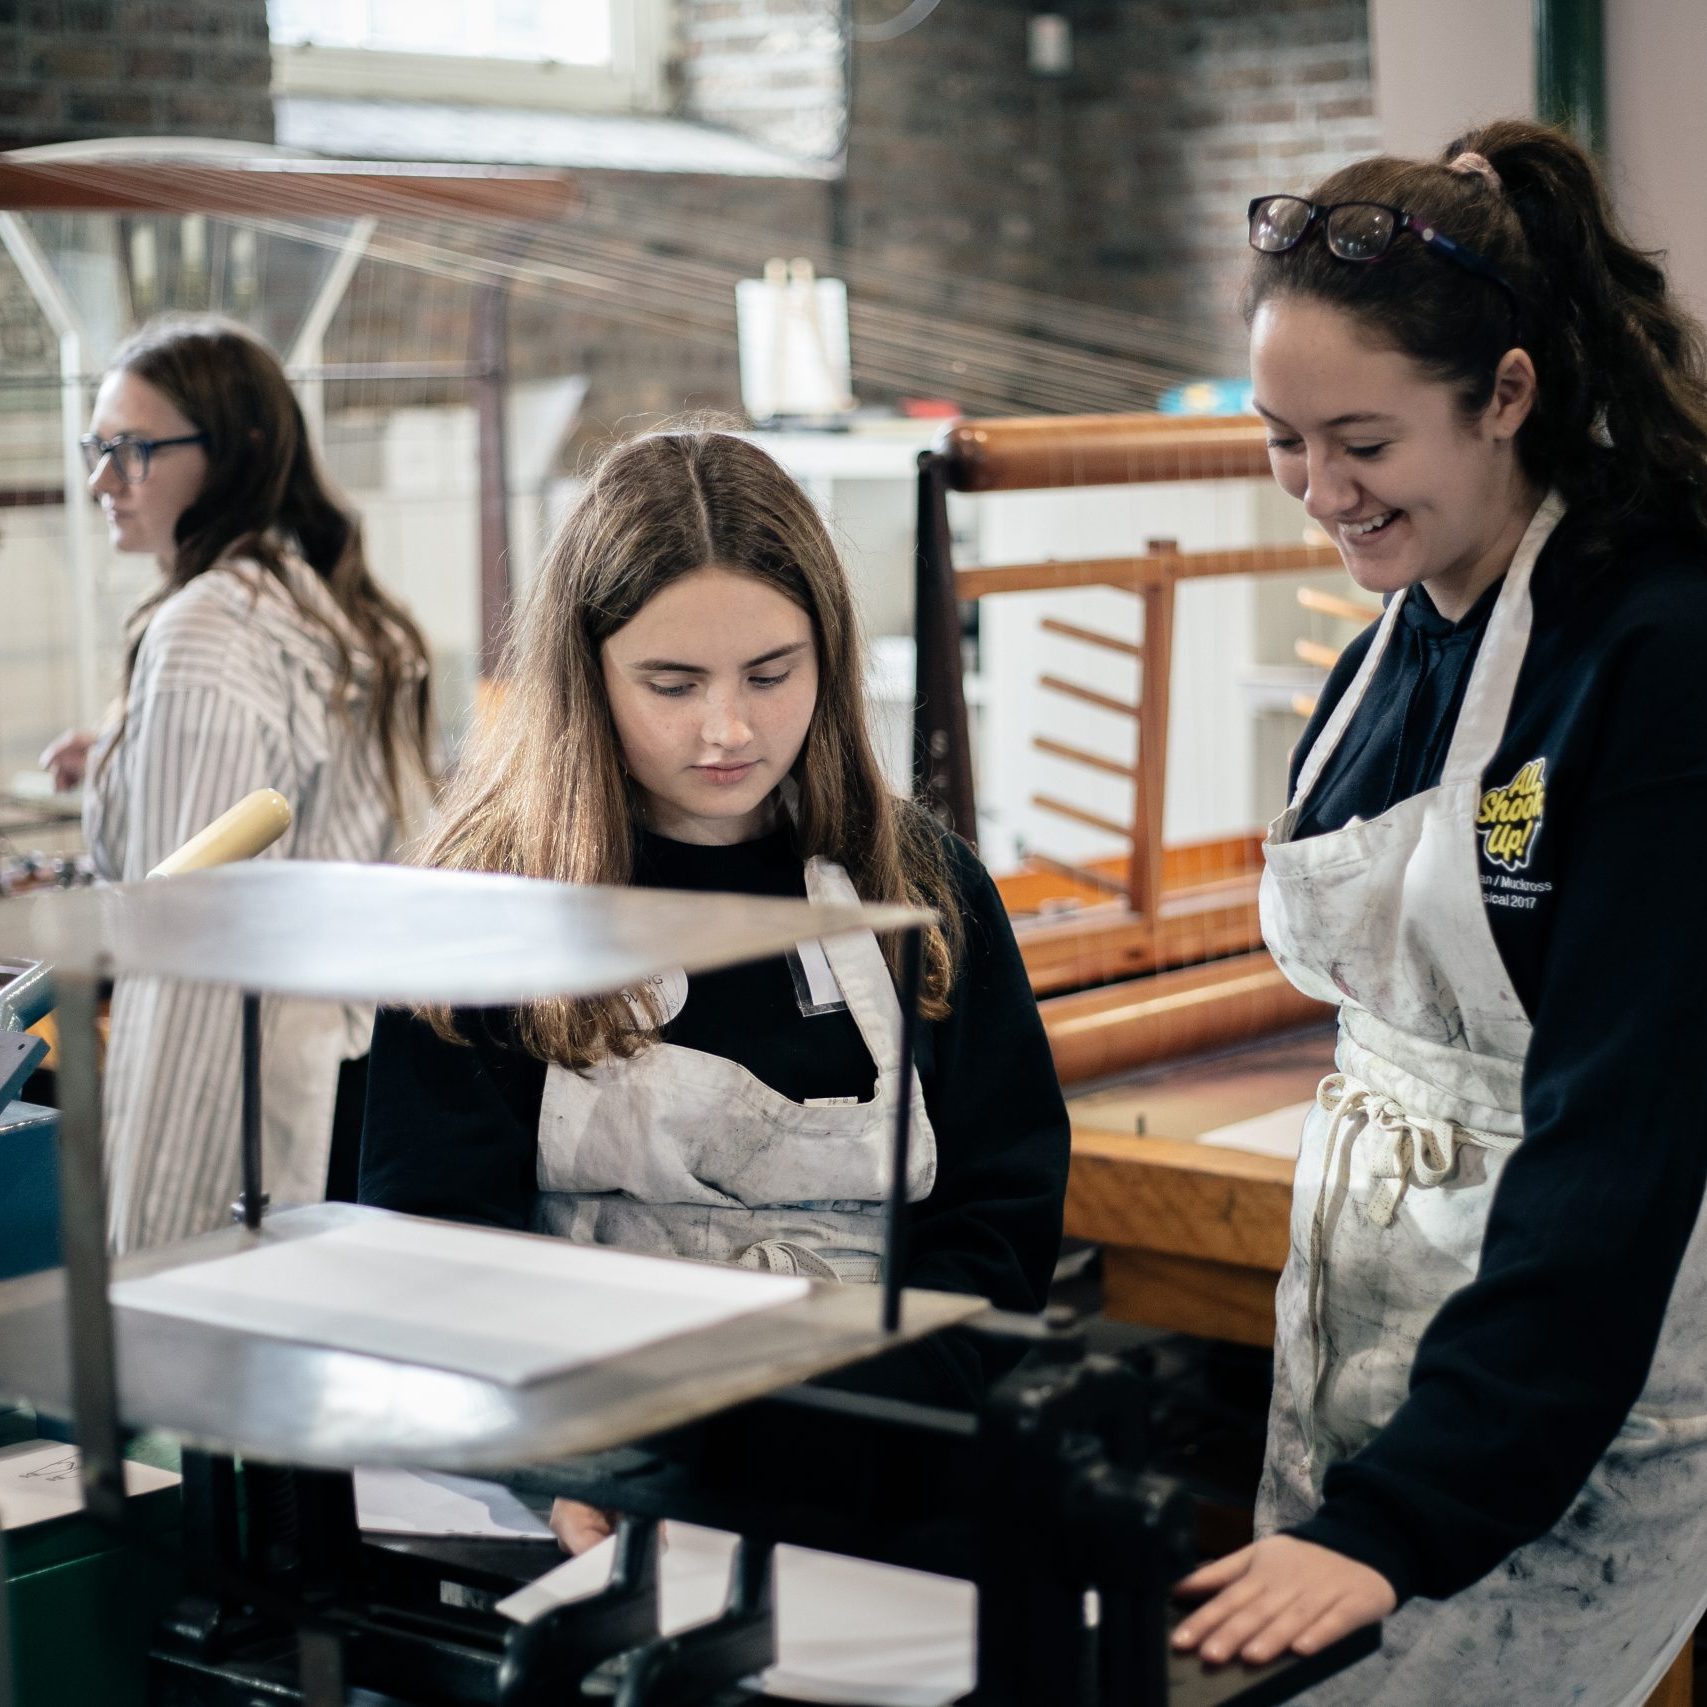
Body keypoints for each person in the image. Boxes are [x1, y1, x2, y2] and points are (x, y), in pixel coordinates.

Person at [1168, 119, 1707, 1701]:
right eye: (1280, 439)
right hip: (1364, 1347)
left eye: (1360, 441)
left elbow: (1616, 1141)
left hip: (1558, 1405)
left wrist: (1410, 1511)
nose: (1317, 492)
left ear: (1506, 395)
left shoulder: (1654, 653)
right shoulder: (1405, 626)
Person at [358, 429, 1070, 1548]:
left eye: (771, 675)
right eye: (672, 683)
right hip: (579, 1493)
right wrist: (578, 1466)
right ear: (584, 672)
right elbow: (436, 1249)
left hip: (874, 1473)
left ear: (829, 656)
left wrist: (850, 1433)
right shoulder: (480, 910)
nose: (728, 729)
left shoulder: (925, 891)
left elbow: (998, 1224)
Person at [43, 315, 434, 1253]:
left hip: (251, 1106)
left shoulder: (208, 629)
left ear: (236, 455)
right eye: (98, 447)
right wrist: (124, 751)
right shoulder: (309, 594)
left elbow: (194, 950)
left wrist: (155, 1233)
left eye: (134, 450)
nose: (103, 480)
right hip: (354, 1070)